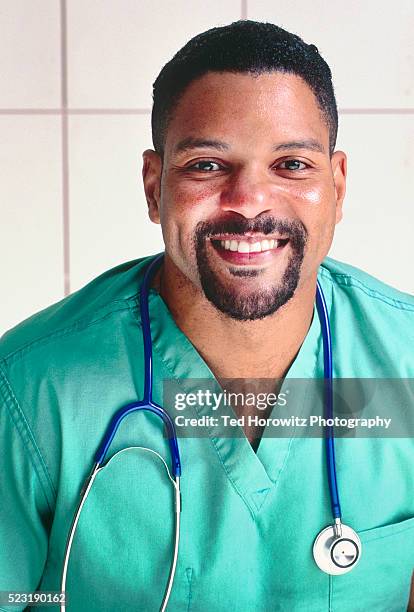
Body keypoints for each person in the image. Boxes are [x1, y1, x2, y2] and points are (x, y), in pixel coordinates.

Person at [1, 19, 413, 612]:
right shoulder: (28, 391)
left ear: (338, 184)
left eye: (292, 164)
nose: (250, 201)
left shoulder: (406, 362)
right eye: (207, 165)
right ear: (153, 185)